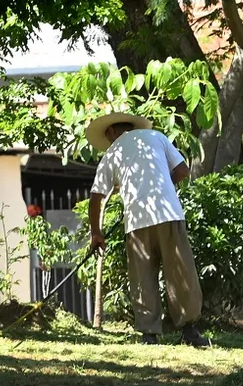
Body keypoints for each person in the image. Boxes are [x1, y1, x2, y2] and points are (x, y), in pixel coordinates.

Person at [86, 112, 209, 347]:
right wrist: (161, 185)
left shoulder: (112, 152)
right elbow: (182, 171)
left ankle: (149, 334)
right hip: (169, 212)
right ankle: (190, 330)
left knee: (143, 276)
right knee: (180, 272)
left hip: (136, 221)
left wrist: (96, 234)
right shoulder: (157, 137)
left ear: (111, 131)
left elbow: (96, 197)